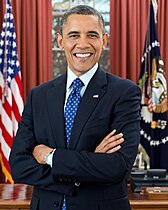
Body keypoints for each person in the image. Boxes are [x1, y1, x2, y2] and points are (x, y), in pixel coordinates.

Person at [9, 5, 141, 210]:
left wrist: (50, 156)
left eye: (91, 35)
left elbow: (117, 167)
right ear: (60, 41)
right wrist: (89, 164)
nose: (82, 44)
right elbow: (18, 167)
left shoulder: (124, 93)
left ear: (104, 40)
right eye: (73, 35)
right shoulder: (39, 95)